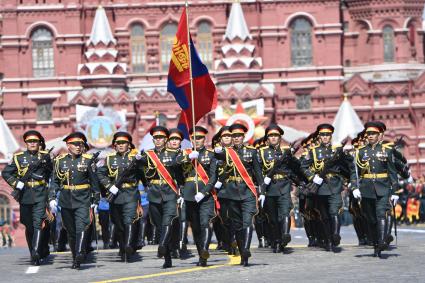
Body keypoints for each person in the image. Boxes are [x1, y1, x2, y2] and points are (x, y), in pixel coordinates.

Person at [210, 123, 263, 266]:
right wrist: (216, 150)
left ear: (244, 136)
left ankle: (245, 249)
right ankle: (242, 253)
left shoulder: (251, 152)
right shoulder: (226, 152)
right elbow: (215, 157)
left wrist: (262, 191)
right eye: (234, 136)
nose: (237, 138)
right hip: (231, 192)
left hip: (247, 191)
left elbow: (258, 172)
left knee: (247, 222)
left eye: (239, 135)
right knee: (238, 225)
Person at [49, 132, 100, 269]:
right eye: (75, 144)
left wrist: (95, 200)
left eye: (81, 144)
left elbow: (95, 182)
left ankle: (79, 253)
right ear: (68, 145)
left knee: (82, 225)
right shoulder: (60, 161)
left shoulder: (88, 160)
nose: (79, 147)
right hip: (66, 200)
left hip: (83, 199)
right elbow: (55, 181)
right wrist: (52, 198)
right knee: (71, 231)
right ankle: (75, 257)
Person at [2, 130, 53, 265]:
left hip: (40, 193)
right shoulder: (19, 157)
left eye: (35, 141)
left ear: (39, 143)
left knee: (38, 223)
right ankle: (33, 252)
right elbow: (6, 172)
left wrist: (50, 194)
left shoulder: (45, 156)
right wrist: (16, 183)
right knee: (28, 225)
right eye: (29, 141)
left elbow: (51, 174)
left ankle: (36, 252)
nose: (32, 143)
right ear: (26, 143)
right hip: (25, 195)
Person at [301, 124, 353, 252]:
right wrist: (313, 177)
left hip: (335, 185)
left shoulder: (337, 150)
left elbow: (349, 165)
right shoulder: (313, 152)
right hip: (320, 187)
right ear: (319, 137)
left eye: (328, 135)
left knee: (334, 212)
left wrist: (344, 155)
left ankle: (335, 235)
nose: (325, 137)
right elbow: (303, 167)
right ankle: (328, 240)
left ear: (331, 136)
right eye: (323, 135)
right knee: (324, 216)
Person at [351, 122, 399, 258]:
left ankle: (383, 241)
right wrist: (354, 187)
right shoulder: (360, 151)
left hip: (382, 187)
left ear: (379, 136)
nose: (370, 136)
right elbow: (354, 172)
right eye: (369, 134)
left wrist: (394, 191)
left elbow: (392, 172)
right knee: (370, 219)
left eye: (373, 134)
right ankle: (376, 242)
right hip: (366, 189)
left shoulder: (386, 151)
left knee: (380, 214)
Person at [97, 132, 143, 261]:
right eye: (118, 143)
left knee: (129, 220)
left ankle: (128, 246)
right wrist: (109, 186)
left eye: (124, 143)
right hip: (115, 196)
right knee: (118, 224)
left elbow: (144, 171)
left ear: (129, 145)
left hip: (131, 194)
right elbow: (100, 173)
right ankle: (123, 247)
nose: (121, 145)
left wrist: (141, 160)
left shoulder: (135, 158)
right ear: (115, 145)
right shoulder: (109, 158)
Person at [139, 126, 180, 268]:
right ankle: (167, 257)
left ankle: (162, 245)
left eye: (161, 137)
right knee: (159, 225)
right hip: (154, 194)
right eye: (156, 138)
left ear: (166, 139)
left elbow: (181, 174)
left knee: (167, 221)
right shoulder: (148, 155)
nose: (158, 140)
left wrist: (181, 191)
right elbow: (141, 173)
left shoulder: (174, 154)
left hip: (170, 193)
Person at [176, 126, 217, 266]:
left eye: (199, 138)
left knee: (205, 223)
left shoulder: (210, 155)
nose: (197, 140)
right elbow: (174, 164)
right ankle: (201, 256)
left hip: (205, 196)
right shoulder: (185, 153)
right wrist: (188, 157)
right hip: (189, 196)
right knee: (196, 227)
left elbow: (213, 177)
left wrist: (204, 192)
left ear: (204, 139)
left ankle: (205, 250)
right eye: (194, 138)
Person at [258, 124, 294, 253]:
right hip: (269, 188)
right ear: (267, 138)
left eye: (276, 136)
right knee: (272, 219)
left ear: (280, 138)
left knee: (285, 212)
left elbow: (295, 169)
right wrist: (261, 190)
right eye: (271, 136)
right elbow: (258, 172)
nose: (273, 138)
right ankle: (277, 241)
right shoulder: (261, 153)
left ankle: (285, 235)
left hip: (284, 186)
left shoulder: (286, 152)